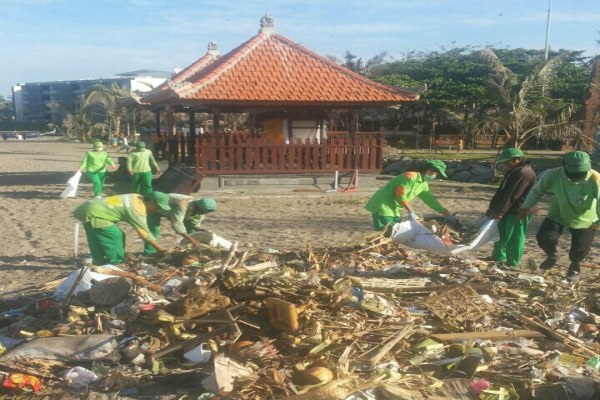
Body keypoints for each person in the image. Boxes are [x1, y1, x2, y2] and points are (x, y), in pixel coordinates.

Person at [519, 151, 600, 279]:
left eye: (580, 173)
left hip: (585, 219)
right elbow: (536, 191)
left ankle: (574, 267)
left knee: (580, 249)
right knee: (544, 238)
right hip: (558, 214)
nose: (576, 176)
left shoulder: (596, 179)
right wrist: (526, 207)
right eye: (573, 173)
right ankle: (552, 255)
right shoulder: (552, 175)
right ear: (565, 167)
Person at [73, 193, 168, 265]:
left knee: (96, 237)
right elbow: (145, 233)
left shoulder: (136, 196)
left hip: (87, 208)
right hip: (98, 213)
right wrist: (161, 250)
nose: (157, 209)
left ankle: (99, 262)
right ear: (151, 202)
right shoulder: (138, 210)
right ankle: (116, 262)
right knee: (116, 235)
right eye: (158, 206)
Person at [365, 160, 457, 230]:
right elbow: (400, 196)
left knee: (395, 231)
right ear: (429, 170)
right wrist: (411, 212)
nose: (435, 175)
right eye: (435, 172)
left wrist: (445, 212)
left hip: (394, 207)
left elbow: (430, 200)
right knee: (388, 231)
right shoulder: (410, 176)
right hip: (383, 204)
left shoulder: (422, 184)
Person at [482, 148, 536, 268]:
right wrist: (493, 208)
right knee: (500, 233)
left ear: (518, 159)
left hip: (520, 209)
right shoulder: (513, 171)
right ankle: (498, 257)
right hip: (508, 208)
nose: (506, 164)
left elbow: (513, 195)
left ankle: (512, 261)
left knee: (515, 236)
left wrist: (500, 211)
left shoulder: (525, 173)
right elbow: (502, 191)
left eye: (508, 161)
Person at [144, 192, 218, 255]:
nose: (203, 213)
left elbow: (194, 223)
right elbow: (176, 224)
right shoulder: (182, 204)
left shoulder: (201, 209)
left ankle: (191, 250)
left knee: (191, 230)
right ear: (198, 207)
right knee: (153, 230)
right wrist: (191, 239)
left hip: (171, 212)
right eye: (202, 211)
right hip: (157, 208)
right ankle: (150, 252)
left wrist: (200, 229)